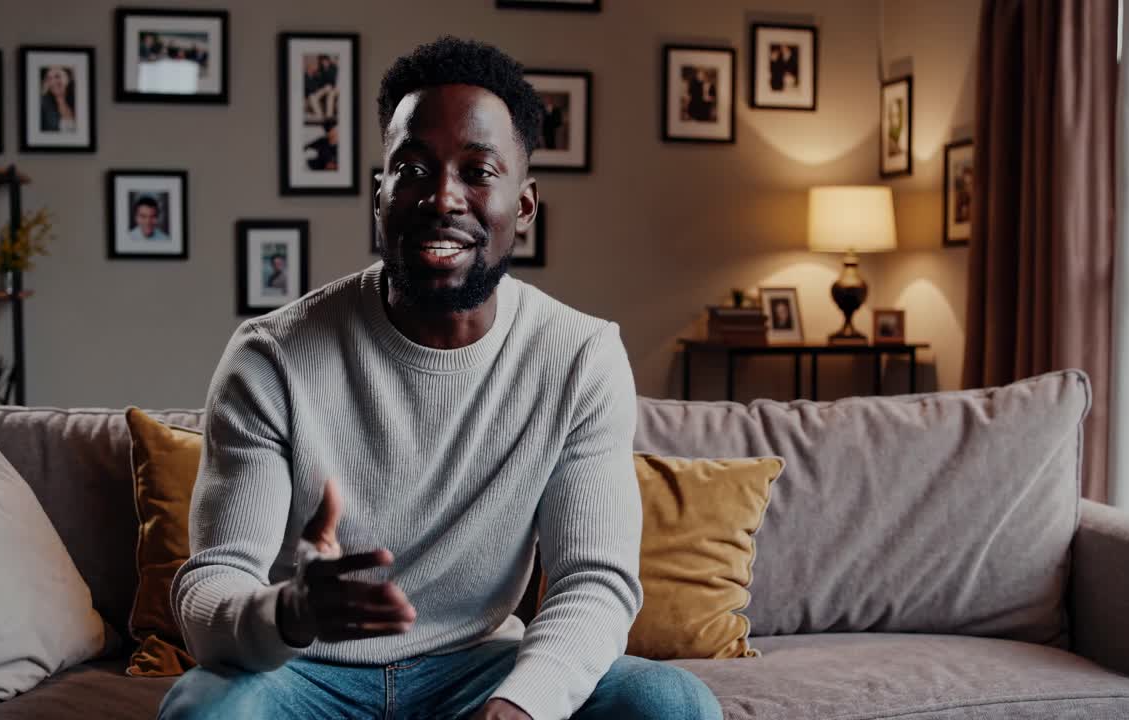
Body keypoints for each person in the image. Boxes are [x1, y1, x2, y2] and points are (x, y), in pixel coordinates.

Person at [158, 36, 721, 720]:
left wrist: (524, 704)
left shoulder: (581, 356)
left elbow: (593, 581)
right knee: (206, 710)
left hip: (478, 670)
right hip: (303, 673)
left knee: (670, 702)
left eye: (478, 171)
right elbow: (210, 591)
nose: (443, 197)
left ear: (524, 205)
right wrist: (290, 612)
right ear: (380, 195)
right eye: (414, 169)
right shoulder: (272, 356)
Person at [40, 66, 76, 132]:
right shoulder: (42, 105)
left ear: (69, 78)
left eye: (57, 76)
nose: (53, 82)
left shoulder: (78, 100)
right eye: (49, 79)